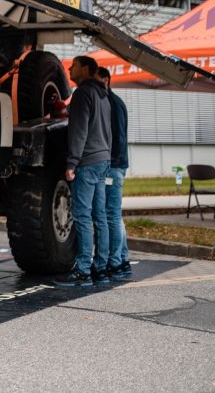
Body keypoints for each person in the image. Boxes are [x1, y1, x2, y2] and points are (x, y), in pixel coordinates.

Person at [55, 55, 112, 287]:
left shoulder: (82, 94)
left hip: (87, 162)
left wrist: (72, 163)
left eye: (74, 65)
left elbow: (78, 131)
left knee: (81, 215)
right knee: (100, 216)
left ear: (86, 69)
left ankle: (82, 271)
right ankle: (101, 267)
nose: (69, 68)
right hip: (102, 159)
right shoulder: (104, 95)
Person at [97, 66, 133, 279]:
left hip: (114, 166)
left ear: (107, 81)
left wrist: (110, 164)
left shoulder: (114, 104)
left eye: (99, 81)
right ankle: (122, 258)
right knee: (113, 214)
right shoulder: (108, 102)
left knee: (111, 213)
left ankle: (117, 261)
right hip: (114, 165)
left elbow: (118, 137)